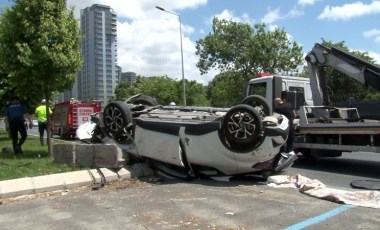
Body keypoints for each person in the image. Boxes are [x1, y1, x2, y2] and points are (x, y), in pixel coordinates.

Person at [274, 97, 298, 165]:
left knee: (281, 145)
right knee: (290, 146)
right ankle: (292, 160)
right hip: (291, 127)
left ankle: (282, 162)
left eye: (274, 103)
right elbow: (294, 115)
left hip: (284, 128)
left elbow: (276, 119)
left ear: (276, 103)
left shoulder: (277, 109)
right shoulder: (289, 105)